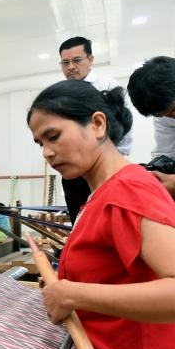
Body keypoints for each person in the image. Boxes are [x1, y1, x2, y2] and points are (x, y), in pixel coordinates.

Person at [27, 79, 175, 349]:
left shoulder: (128, 192)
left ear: (97, 124)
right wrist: (62, 285)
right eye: (40, 143)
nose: (47, 152)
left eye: (53, 136)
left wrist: (72, 293)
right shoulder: (101, 196)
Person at [58, 36, 133, 224]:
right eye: (65, 62)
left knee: (108, 221)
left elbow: (125, 127)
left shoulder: (108, 86)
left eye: (77, 60)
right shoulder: (60, 93)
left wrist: (118, 163)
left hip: (105, 169)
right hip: (74, 172)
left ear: (90, 60)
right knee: (79, 222)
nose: (71, 67)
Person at [127, 56, 175, 196]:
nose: (172, 116)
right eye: (165, 115)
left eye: (173, 110)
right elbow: (166, 152)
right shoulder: (164, 112)